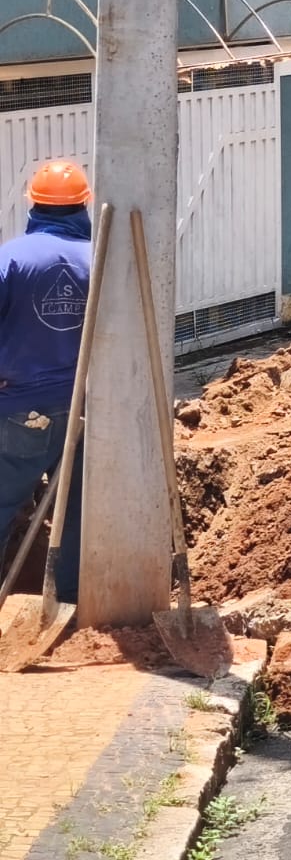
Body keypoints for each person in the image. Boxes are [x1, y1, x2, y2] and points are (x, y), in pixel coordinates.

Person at [0, 160, 92, 600]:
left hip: (17, 409)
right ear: (84, 205)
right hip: (84, 408)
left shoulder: (10, 259)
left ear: (33, 203)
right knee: (76, 513)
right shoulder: (100, 259)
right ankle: (69, 606)